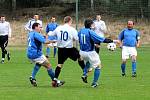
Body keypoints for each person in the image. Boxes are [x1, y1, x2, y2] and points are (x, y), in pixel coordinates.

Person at [78, 19, 117, 87]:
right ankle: (94, 83)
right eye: (93, 24)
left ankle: (84, 74)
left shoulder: (81, 31)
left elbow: (81, 40)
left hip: (82, 52)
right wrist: (113, 41)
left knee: (88, 62)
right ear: (90, 25)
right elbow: (102, 39)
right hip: (90, 52)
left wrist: (93, 44)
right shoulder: (90, 32)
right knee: (98, 66)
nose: (94, 25)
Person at [48, 16, 85, 84]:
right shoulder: (72, 29)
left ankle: (55, 79)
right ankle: (85, 71)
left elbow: (51, 34)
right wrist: (73, 39)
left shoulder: (58, 28)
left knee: (59, 64)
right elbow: (76, 38)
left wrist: (48, 33)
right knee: (80, 56)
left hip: (60, 49)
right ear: (70, 21)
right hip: (69, 49)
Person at [27, 23, 64, 87]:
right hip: (36, 53)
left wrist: (43, 36)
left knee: (39, 63)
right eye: (39, 27)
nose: (41, 28)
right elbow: (45, 42)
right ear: (35, 27)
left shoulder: (30, 33)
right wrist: (53, 41)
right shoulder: (36, 34)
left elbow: (37, 38)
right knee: (48, 65)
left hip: (29, 53)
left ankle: (32, 77)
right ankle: (56, 81)